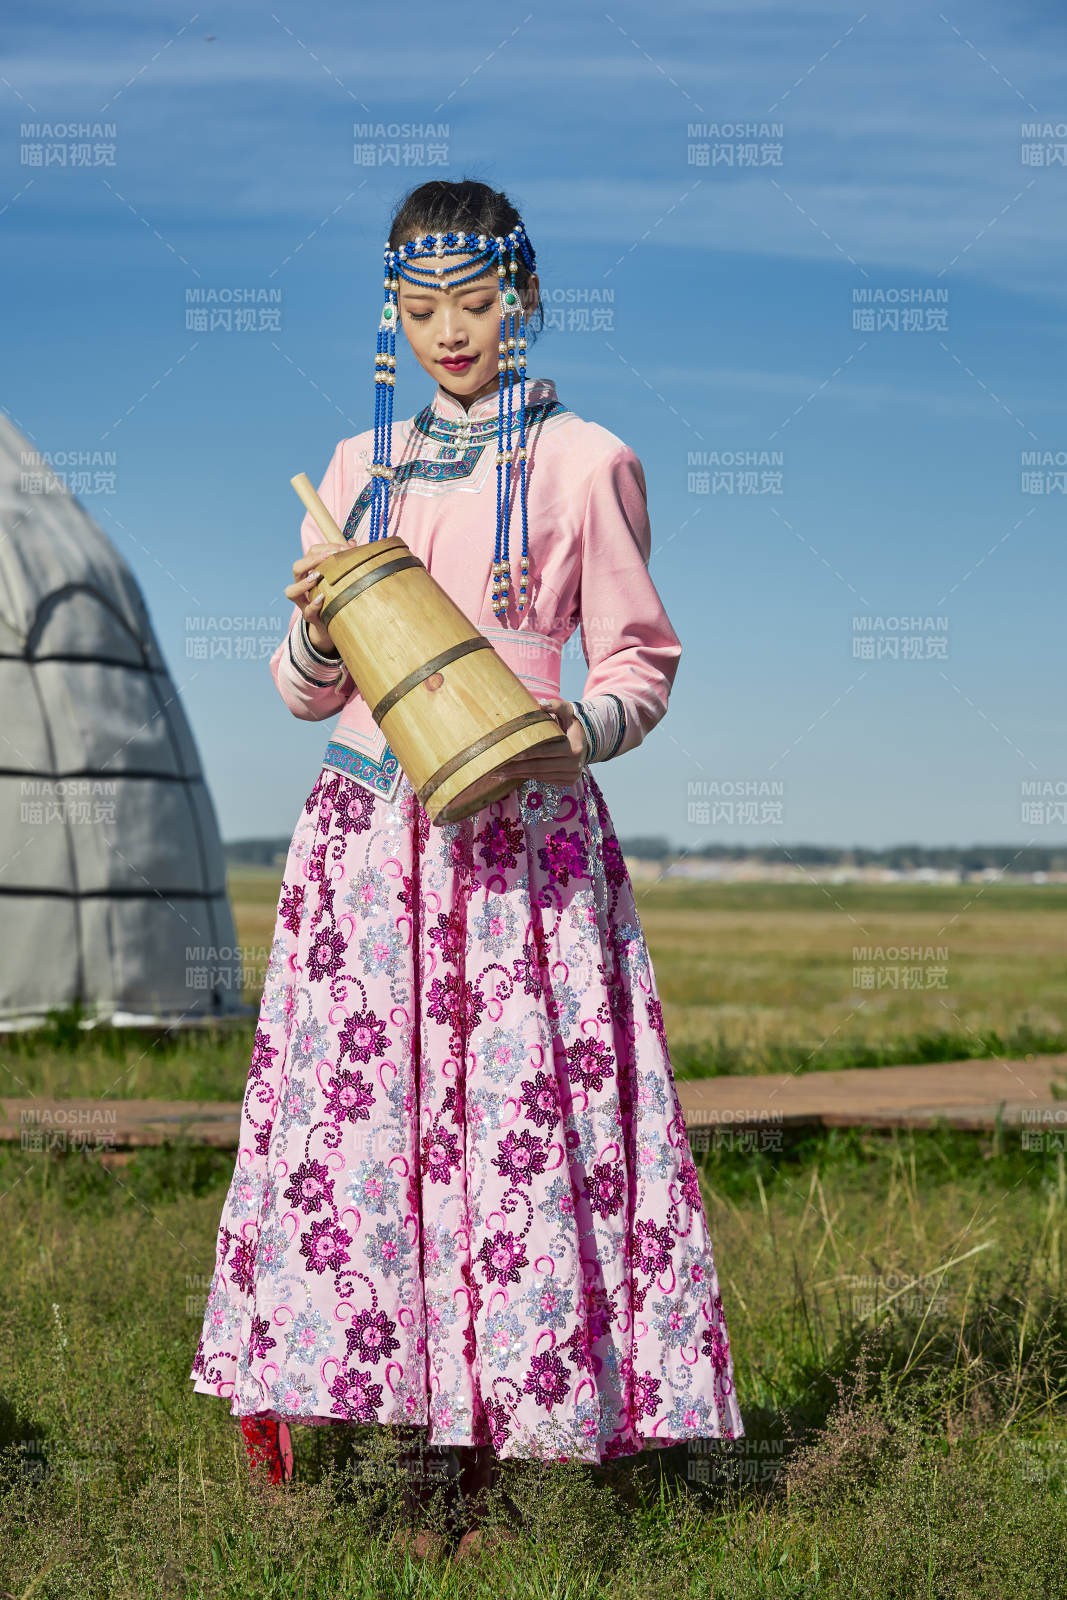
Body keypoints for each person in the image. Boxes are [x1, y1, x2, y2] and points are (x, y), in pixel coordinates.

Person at [189, 177, 743, 1557]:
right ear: (394, 313)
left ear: (525, 296)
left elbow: (641, 662)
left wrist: (578, 726)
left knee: (505, 1142)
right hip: (367, 847)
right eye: (422, 306)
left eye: (476, 301)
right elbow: (303, 691)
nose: (451, 329)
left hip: (519, 835)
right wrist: (315, 633)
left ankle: (487, 1463)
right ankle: (397, 1439)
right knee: (369, 1148)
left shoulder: (584, 462)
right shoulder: (355, 465)